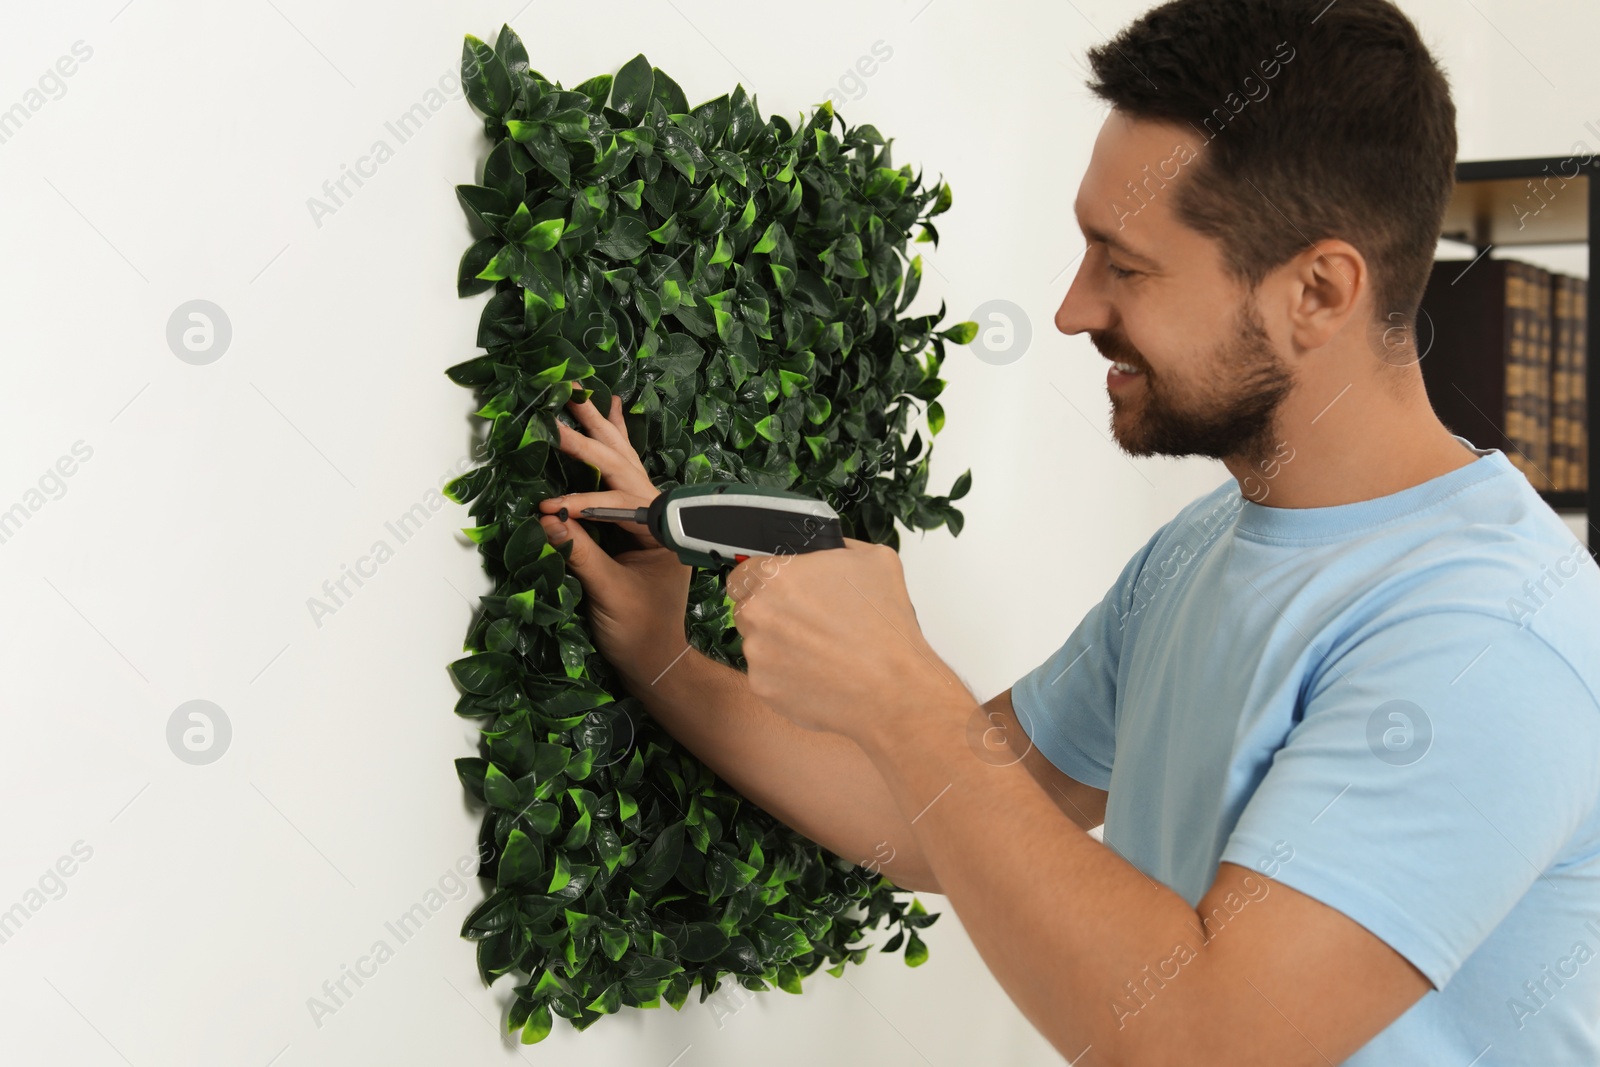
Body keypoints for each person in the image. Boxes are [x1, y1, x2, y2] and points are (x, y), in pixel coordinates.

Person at [528, 0, 1600, 1062]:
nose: (1073, 309)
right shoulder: (1203, 548)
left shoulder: (1491, 636)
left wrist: (904, 690)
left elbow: (1198, 1038)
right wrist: (666, 654)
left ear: (1316, 290)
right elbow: (926, 812)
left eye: (1123, 264)